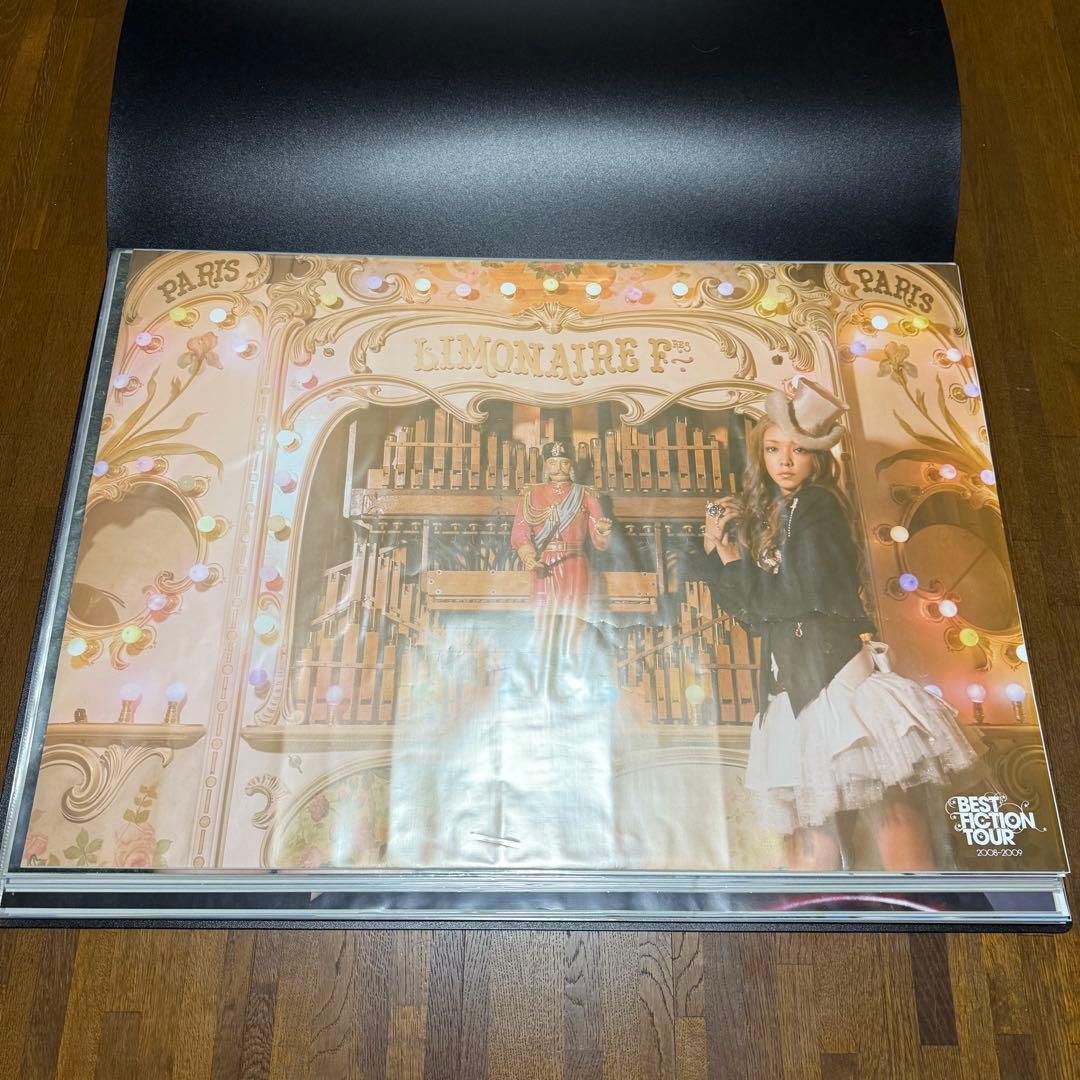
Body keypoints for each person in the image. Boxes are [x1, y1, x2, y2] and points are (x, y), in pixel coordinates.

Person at [690, 378, 983, 871]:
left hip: (836, 680)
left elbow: (794, 598)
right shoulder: (784, 511)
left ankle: (920, 906)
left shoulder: (818, 505)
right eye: (773, 449)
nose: (784, 461)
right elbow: (758, 620)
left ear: (817, 456)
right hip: (797, 684)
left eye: (799, 450)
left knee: (889, 817)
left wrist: (737, 563)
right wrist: (724, 552)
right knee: (821, 829)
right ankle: (846, 907)